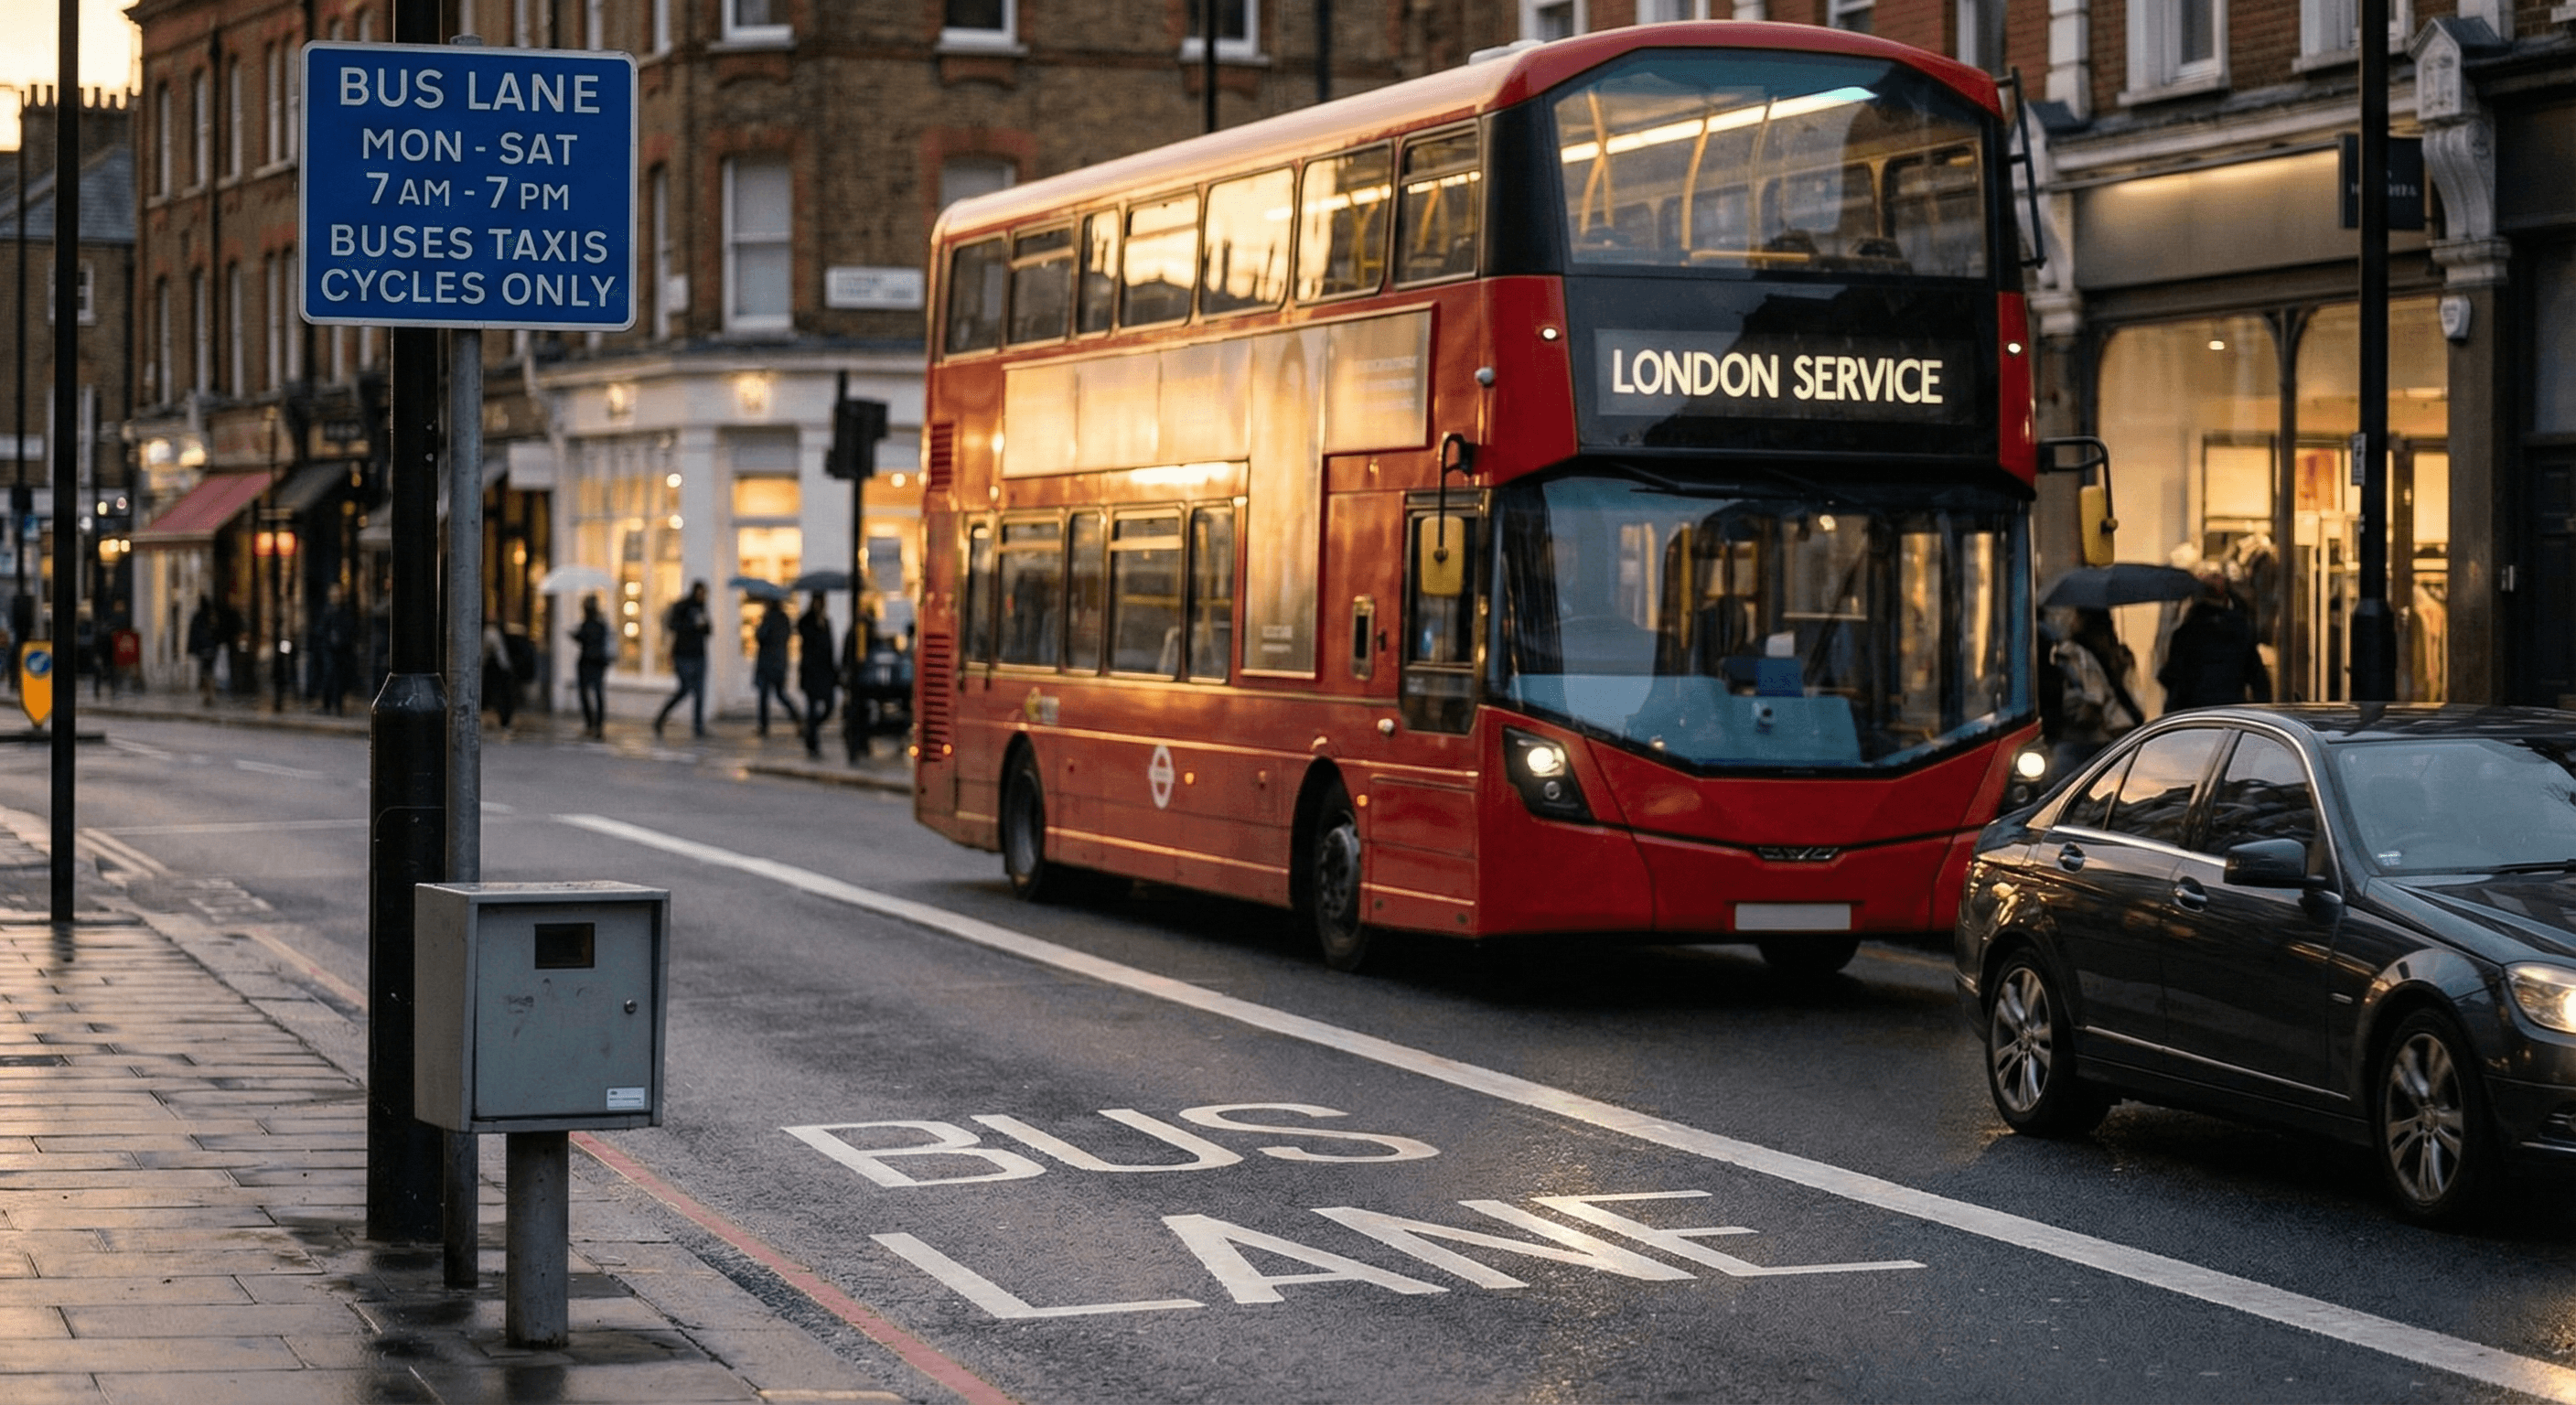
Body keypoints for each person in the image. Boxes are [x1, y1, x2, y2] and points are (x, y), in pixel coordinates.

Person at [2158, 573, 2271, 713]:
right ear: (2225, 598)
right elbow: (2258, 679)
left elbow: (2172, 676)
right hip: (2231, 711)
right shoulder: (2240, 629)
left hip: (2193, 712)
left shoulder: (2187, 632)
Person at [2049, 606, 2141, 773]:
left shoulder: (2081, 656)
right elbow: (2094, 705)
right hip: (2098, 744)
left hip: (2095, 744)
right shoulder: (2081, 656)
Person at [652, 581, 713, 737]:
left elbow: (709, 630)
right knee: (684, 689)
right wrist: (691, 626)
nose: (702, 596)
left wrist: (703, 626)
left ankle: (698, 727)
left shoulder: (702, 608)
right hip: (683, 654)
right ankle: (661, 717)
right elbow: (673, 625)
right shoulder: (682, 606)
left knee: (699, 692)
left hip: (699, 654)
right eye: (700, 593)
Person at [751, 596, 799, 737]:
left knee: (765, 695)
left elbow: (761, 636)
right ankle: (797, 718)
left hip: (768, 662)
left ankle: (764, 726)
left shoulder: (770, 618)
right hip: (780, 662)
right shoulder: (784, 618)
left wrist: (762, 623)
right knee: (780, 694)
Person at [796, 594, 836, 759]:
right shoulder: (806, 621)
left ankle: (809, 730)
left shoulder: (826, 622)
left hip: (825, 672)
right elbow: (808, 639)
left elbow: (830, 647)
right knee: (812, 709)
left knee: (829, 707)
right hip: (811, 672)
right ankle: (812, 744)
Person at [571, 594, 612, 739]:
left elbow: (583, 638)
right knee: (597, 693)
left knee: (589, 693)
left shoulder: (590, 624)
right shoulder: (600, 623)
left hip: (589, 661)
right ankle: (596, 724)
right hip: (597, 662)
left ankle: (593, 724)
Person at [314, 588, 356, 715]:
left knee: (339, 678)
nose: (336, 598)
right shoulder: (327, 611)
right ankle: (327, 705)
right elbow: (320, 630)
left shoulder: (345, 612)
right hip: (329, 650)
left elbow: (351, 629)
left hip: (342, 650)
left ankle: (338, 706)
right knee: (329, 676)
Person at [481, 620, 518, 729]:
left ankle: (504, 720)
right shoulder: (497, 636)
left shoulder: (499, 637)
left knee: (503, 697)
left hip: (500, 671)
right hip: (498, 670)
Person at [187, 595, 221, 705]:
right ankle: (210, 695)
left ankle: (207, 696)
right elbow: (217, 632)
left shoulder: (197, 617)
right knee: (209, 672)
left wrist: (192, 648)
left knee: (205, 672)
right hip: (211, 648)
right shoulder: (212, 616)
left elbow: (193, 634)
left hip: (203, 649)